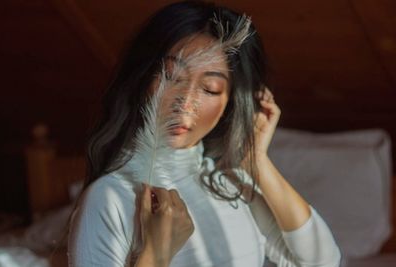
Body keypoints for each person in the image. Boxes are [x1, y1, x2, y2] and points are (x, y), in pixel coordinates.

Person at [67, 1, 342, 266]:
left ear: (230, 103)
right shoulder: (110, 197)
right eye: (172, 77)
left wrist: (256, 160)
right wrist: (157, 255)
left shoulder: (230, 184)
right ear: (141, 78)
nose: (185, 103)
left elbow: (323, 261)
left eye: (210, 88)